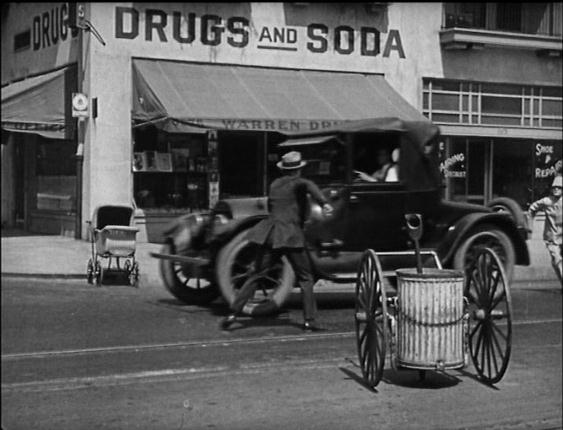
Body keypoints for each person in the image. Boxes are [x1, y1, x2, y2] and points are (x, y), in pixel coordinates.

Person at [220, 151, 334, 331]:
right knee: (306, 277)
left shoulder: (274, 184)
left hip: (272, 235)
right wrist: (324, 203)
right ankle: (309, 320)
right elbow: (308, 185)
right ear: (298, 170)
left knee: (256, 274)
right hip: (290, 236)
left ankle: (233, 313)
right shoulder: (299, 183)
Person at [528, 175, 562, 289]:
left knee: (557, 262)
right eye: (554, 187)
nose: (556, 189)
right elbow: (532, 209)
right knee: (557, 260)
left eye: (559, 187)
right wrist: (530, 226)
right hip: (552, 237)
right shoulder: (547, 201)